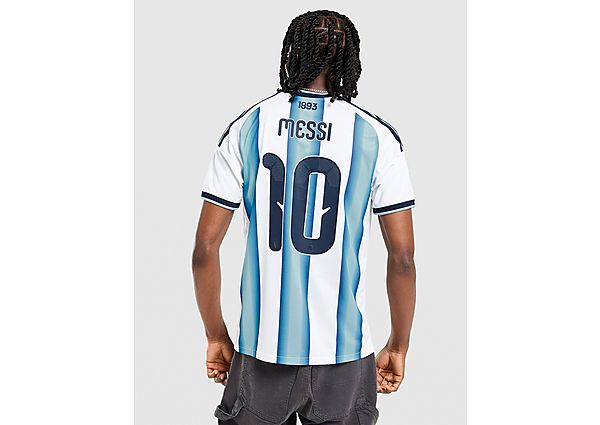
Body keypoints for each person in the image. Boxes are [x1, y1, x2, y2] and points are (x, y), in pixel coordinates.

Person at [192, 10, 416, 425]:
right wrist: (398, 346)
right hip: (345, 355)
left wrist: (216, 335)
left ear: (293, 51)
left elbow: (204, 250)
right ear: (350, 58)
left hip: (262, 349)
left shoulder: (249, 126)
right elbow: (402, 258)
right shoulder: (375, 136)